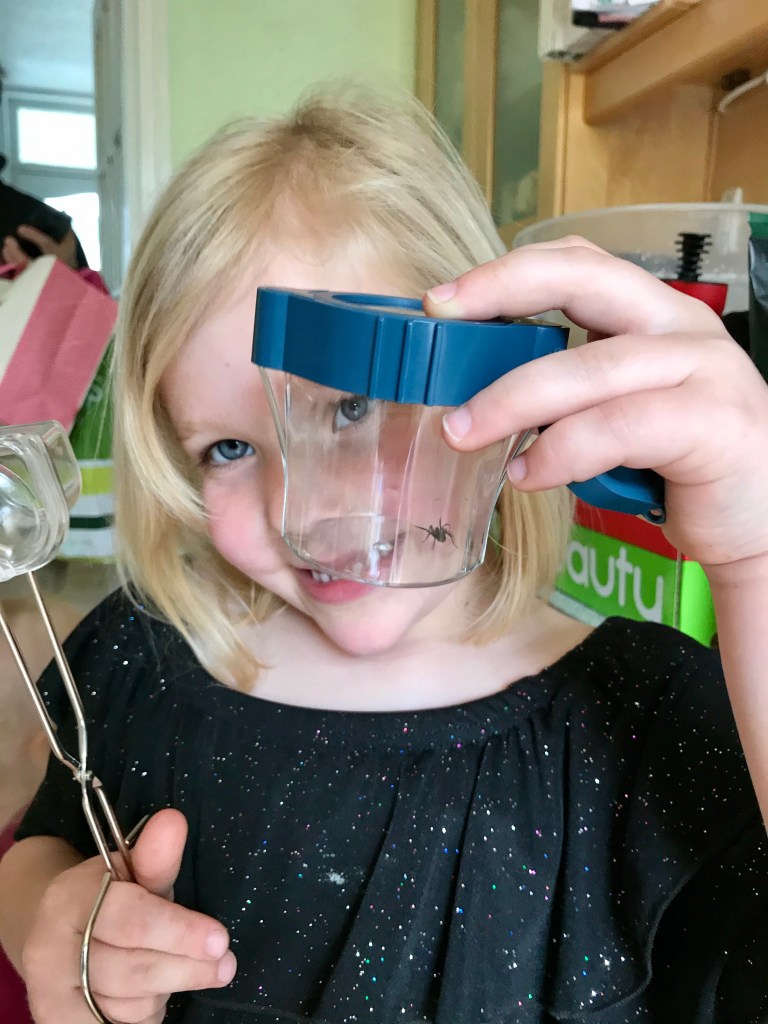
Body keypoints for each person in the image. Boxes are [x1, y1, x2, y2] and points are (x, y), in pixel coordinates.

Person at [0, 85, 766, 1024]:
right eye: (229, 448)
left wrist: (754, 560)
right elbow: (40, 847)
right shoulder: (135, 653)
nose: (306, 516)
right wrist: (52, 925)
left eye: (353, 410)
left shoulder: (650, 719)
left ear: (501, 377)